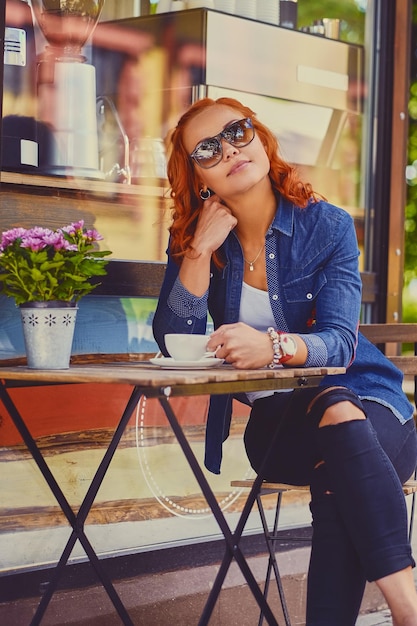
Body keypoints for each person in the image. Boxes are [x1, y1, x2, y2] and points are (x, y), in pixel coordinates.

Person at [152, 96, 417, 625]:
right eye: (207, 148)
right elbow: (173, 340)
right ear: (198, 177)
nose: (228, 148)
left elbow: (341, 344)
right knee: (333, 440)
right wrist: (199, 252)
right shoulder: (199, 242)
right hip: (278, 430)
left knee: (337, 435)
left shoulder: (328, 225)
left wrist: (272, 346)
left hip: (373, 411)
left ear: (261, 139)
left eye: (237, 131)